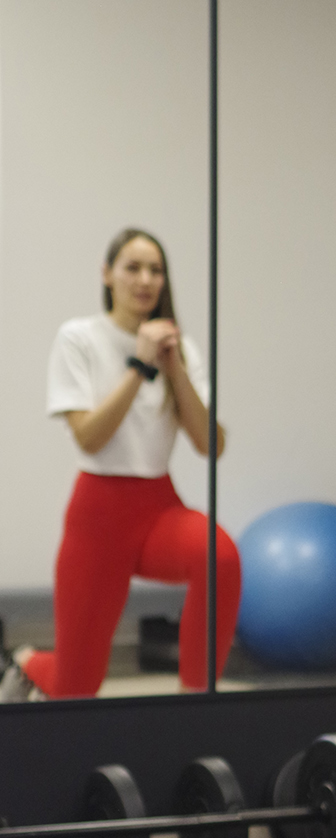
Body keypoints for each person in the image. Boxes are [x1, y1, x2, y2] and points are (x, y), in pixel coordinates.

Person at [0, 228, 240, 700]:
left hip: (158, 507)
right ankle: (28, 663)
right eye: (133, 268)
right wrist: (139, 366)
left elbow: (211, 445)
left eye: (156, 270)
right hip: (99, 514)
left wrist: (173, 367)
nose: (145, 280)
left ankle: (196, 703)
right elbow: (89, 437)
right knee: (76, 688)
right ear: (107, 274)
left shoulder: (182, 349)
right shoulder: (79, 337)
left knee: (220, 557)